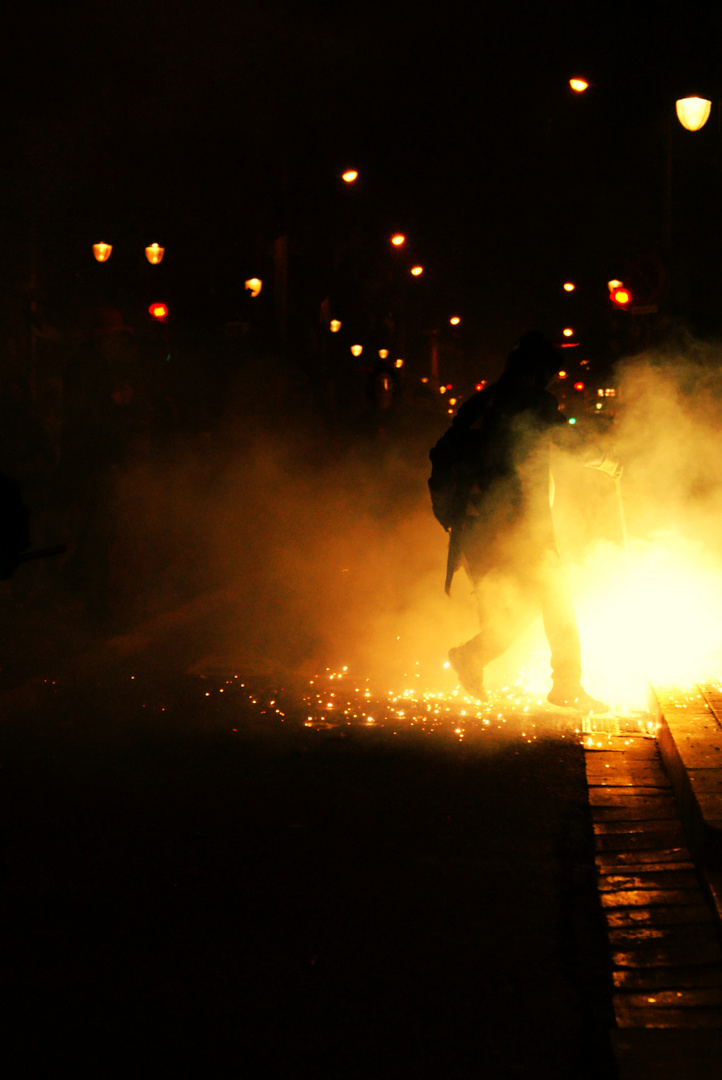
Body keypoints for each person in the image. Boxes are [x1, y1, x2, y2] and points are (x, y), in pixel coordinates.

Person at [428, 331, 619, 712]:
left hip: (472, 527)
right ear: (541, 372)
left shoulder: (481, 402)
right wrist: (608, 463)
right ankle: (561, 682)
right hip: (513, 524)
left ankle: (475, 657)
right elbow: (571, 443)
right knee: (554, 599)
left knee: (528, 602)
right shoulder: (534, 402)